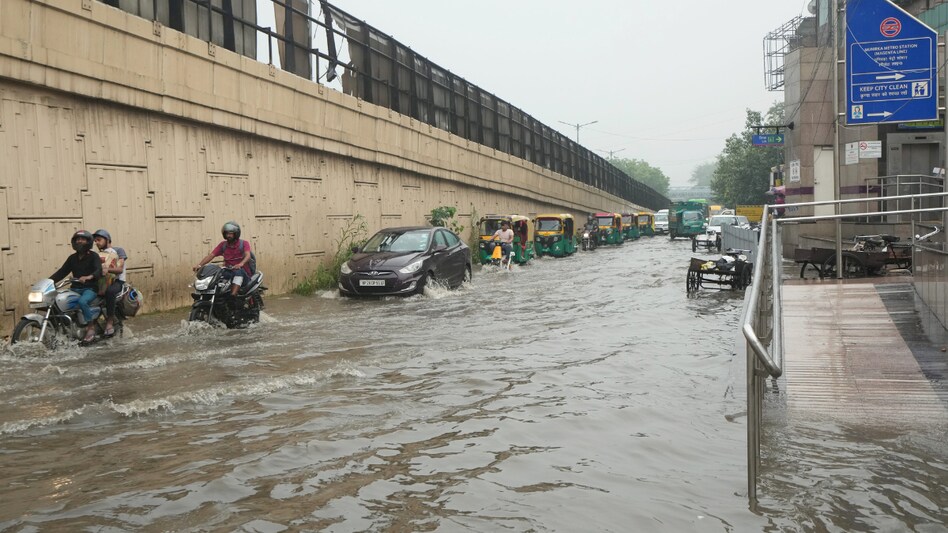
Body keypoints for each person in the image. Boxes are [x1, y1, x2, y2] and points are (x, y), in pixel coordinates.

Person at [50, 230, 102, 342]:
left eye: (82, 239)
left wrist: (89, 277)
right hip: (75, 289)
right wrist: (48, 281)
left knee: (83, 302)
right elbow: (62, 272)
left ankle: (90, 327)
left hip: (90, 288)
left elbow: (99, 270)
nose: (79, 241)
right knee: (58, 301)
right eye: (77, 239)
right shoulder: (72, 258)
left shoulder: (94, 256)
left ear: (88, 242)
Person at [194, 221, 252, 297]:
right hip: (228, 271)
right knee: (217, 276)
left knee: (238, 272)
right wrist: (199, 265)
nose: (228, 235)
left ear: (236, 234)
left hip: (243, 273)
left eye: (231, 233)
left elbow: (248, 255)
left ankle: (233, 295)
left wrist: (241, 264)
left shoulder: (244, 243)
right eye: (227, 233)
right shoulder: (223, 245)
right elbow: (211, 255)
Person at [92, 229, 127, 337]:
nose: (96, 242)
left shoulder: (118, 250)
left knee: (110, 292)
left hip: (117, 281)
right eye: (95, 241)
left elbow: (120, 269)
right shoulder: (97, 255)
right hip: (102, 282)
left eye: (99, 240)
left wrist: (108, 270)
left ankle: (110, 321)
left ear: (107, 240)